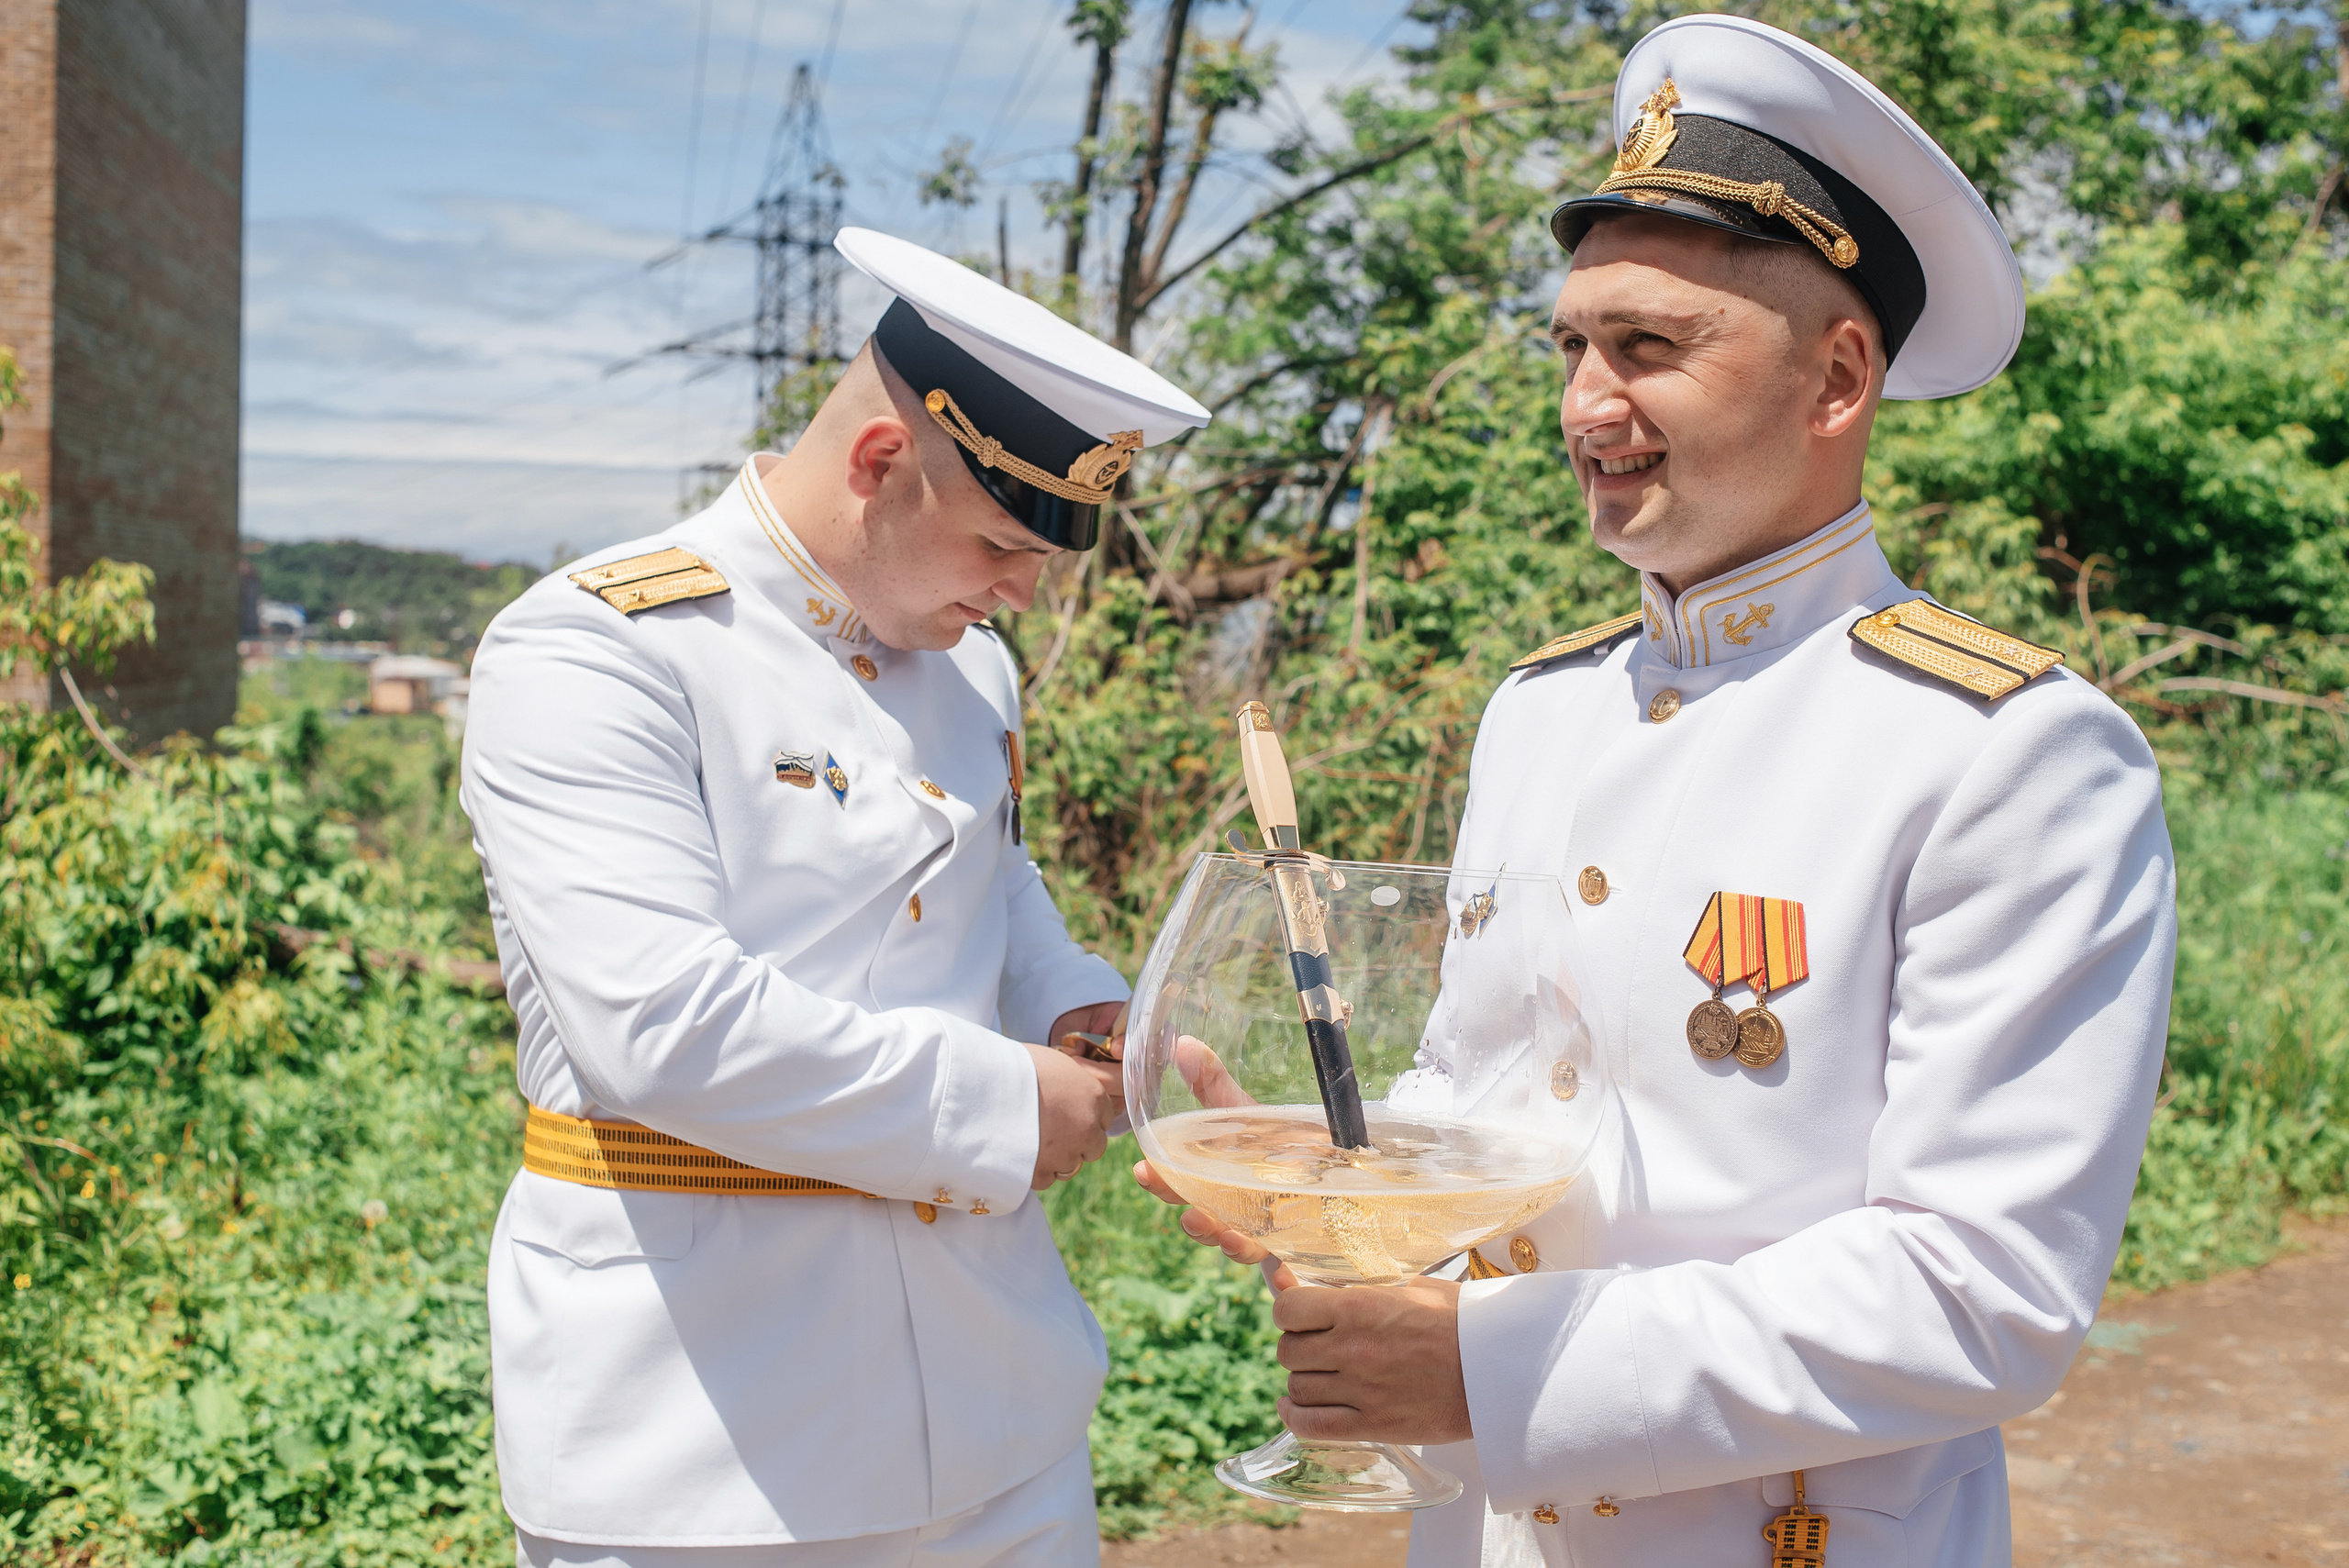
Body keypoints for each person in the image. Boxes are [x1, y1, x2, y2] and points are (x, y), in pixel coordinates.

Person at [1138, 16, 2175, 1566]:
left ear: (1839, 376)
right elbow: (1501, 1083)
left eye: (1649, 346)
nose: (1585, 405)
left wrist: (1484, 1366)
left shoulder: (2007, 750)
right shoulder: (1540, 709)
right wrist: (1350, 1174)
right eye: (1570, 345)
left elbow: (1987, 1288)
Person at [462, 228, 1208, 1568]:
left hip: (1001, 1405)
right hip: (711, 1438)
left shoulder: (969, 666)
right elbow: (660, 1024)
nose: (1023, 591)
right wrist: (1000, 1106)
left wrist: (1085, 999)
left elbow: (992, 875)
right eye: (997, 541)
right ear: (878, 465)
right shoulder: (599, 649)